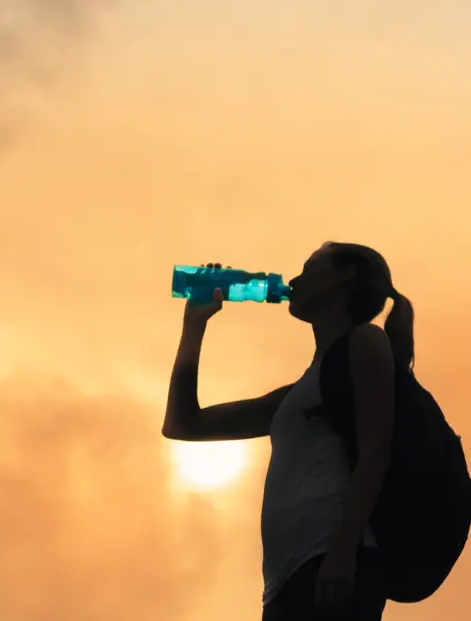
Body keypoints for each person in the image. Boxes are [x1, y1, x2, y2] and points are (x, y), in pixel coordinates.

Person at [163, 242, 415, 621]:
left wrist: (343, 553)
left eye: (309, 268)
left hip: (331, 566)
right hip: (287, 577)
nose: (295, 280)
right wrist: (194, 325)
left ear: (345, 276)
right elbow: (183, 425)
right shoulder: (299, 393)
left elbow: (376, 451)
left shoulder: (366, 341)